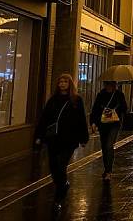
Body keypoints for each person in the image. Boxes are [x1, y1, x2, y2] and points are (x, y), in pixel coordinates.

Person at [34, 74, 89, 210]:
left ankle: (59, 196)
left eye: (65, 81)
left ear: (70, 84)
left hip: (69, 139)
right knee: (53, 166)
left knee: (61, 164)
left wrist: (83, 138)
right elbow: (44, 119)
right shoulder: (53, 100)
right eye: (60, 82)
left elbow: (81, 119)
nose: (62, 84)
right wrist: (39, 136)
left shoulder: (76, 100)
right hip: (54, 139)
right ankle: (63, 184)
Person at [90, 81, 128, 180]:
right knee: (104, 147)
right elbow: (95, 109)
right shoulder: (101, 95)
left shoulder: (119, 95)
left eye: (111, 84)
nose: (109, 86)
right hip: (103, 124)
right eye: (107, 84)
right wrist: (93, 122)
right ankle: (106, 168)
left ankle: (108, 171)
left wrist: (119, 107)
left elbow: (125, 109)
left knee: (109, 145)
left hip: (114, 124)